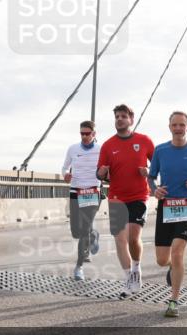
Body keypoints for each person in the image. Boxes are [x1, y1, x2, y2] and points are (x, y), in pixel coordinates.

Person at [148, 111, 187, 317]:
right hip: (165, 207)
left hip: (186, 206)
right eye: (174, 125)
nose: (178, 128)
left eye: (182, 125)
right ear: (169, 127)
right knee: (162, 259)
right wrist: (154, 189)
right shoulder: (160, 150)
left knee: (177, 252)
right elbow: (151, 177)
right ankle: (172, 269)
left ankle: (174, 301)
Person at [97, 104, 154, 297]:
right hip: (116, 197)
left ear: (131, 118)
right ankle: (129, 277)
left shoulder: (144, 140)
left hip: (139, 195)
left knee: (132, 238)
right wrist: (102, 173)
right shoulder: (107, 145)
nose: (119, 119)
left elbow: (158, 164)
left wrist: (149, 172)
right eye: (116, 117)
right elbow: (100, 173)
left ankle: (136, 267)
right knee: (120, 240)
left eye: (123, 116)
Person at [62, 120, 102, 280]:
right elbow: (64, 167)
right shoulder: (73, 149)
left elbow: (109, 168)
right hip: (75, 192)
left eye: (88, 133)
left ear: (94, 134)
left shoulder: (101, 149)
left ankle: (79, 267)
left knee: (84, 229)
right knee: (76, 232)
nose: (84, 136)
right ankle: (94, 235)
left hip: (92, 192)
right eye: (82, 133)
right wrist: (66, 175)